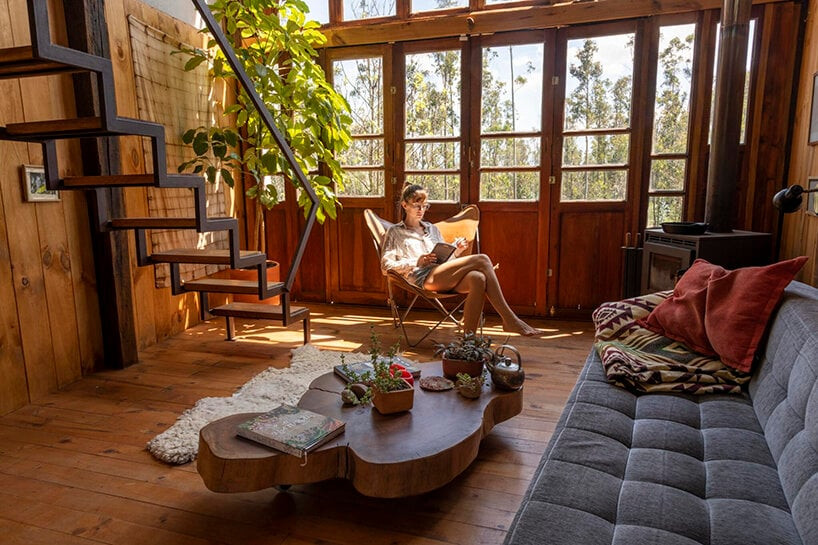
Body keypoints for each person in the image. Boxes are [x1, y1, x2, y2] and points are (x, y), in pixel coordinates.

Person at [380, 184, 541, 336]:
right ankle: (510, 319)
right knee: (483, 259)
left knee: (478, 278)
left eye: (425, 206)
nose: (421, 210)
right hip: (422, 277)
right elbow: (385, 266)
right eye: (417, 205)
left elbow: (444, 260)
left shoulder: (432, 229)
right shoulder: (394, 232)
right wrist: (417, 261)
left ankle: (469, 340)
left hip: (441, 273)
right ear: (405, 205)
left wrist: (456, 250)